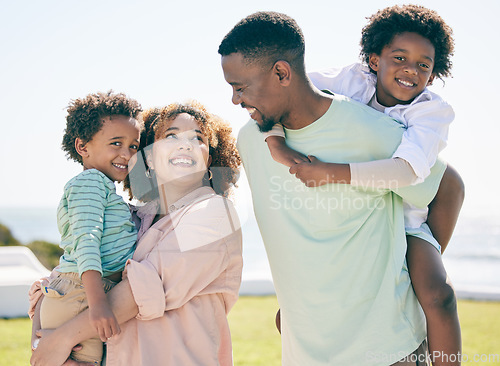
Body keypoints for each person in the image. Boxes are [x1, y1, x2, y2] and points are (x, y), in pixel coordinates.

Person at [219, 11, 461, 365]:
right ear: (375, 60)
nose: (236, 100)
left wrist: (418, 254)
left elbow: (438, 181)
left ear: (282, 73)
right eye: (399, 58)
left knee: (437, 294)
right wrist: (273, 139)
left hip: (411, 215)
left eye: (241, 88)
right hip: (308, 351)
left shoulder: (415, 119)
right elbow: (303, 90)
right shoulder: (257, 133)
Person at [30, 101, 243, 366]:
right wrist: (42, 344)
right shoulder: (129, 219)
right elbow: (59, 280)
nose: (185, 144)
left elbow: (140, 292)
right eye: (172, 135)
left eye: (197, 138)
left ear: (208, 158)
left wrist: (61, 340)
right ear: (149, 158)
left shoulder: (215, 214)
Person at [30, 91, 142, 364]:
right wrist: (98, 304)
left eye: (133, 146)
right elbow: (86, 242)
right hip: (84, 294)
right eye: (116, 143)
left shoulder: (103, 187)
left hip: (88, 292)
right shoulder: (90, 182)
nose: (126, 154)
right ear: (83, 147)